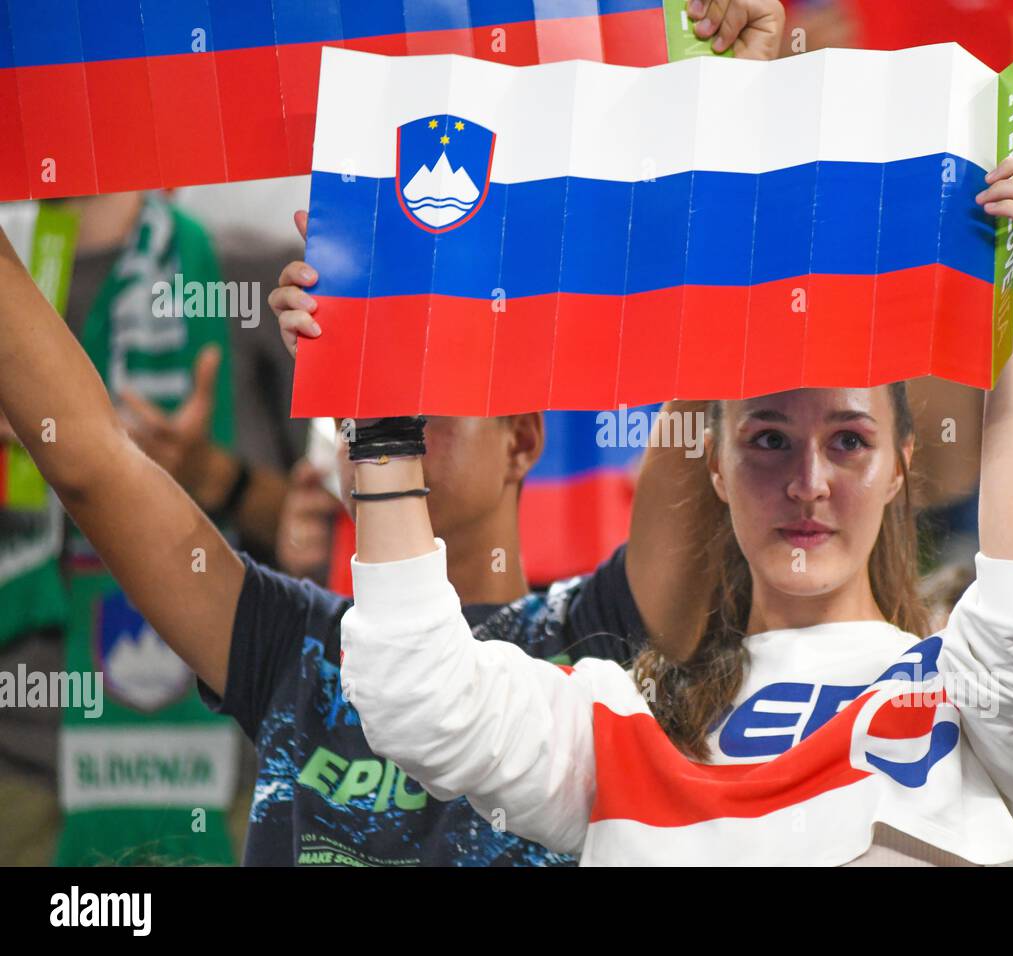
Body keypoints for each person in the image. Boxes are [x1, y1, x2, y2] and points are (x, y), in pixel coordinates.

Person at [0, 0, 785, 867]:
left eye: (424, 398)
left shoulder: (596, 637)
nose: (390, 428)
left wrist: (738, 104)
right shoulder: (290, 644)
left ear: (523, 441)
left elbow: (705, 378)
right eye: (369, 407)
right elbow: (90, 460)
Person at [337, 124, 1013, 865]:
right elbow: (419, 696)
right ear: (714, 469)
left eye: (849, 442)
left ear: (901, 466)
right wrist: (379, 411)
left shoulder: (971, 698)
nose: (809, 484)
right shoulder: (625, 718)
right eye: (768, 440)